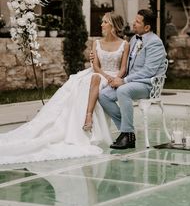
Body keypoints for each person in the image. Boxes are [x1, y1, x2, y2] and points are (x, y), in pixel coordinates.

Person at [0, 12, 129, 165]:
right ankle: (85, 117)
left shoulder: (124, 44)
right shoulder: (97, 43)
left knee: (90, 82)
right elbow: (95, 66)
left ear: (113, 25)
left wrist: (115, 78)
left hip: (114, 76)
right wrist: (106, 76)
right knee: (81, 84)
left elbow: (123, 68)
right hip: (99, 74)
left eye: (105, 22)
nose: (101, 24)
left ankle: (87, 117)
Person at [98, 9, 167, 150]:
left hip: (147, 85)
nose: (133, 24)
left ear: (147, 27)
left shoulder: (155, 43)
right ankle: (127, 131)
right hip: (130, 82)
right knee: (103, 95)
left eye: (137, 22)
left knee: (123, 91)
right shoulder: (135, 39)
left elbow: (149, 71)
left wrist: (124, 81)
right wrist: (116, 77)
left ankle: (127, 136)